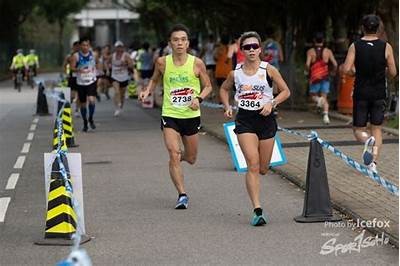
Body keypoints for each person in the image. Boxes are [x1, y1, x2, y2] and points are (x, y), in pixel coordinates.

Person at [219, 31, 290, 226]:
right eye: (247, 47)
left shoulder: (269, 70)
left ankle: (262, 174)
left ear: (260, 49)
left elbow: (286, 91)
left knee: (264, 168)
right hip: (245, 121)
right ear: (241, 50)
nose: (251, 50)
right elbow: (224, 89)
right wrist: (227, 107)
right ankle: (257, 210)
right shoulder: (236, 73)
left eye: (254, 47)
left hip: (266, 120)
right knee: (253, 164)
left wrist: (272, 103)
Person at [139, 24, 212, 209]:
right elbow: (155, 78)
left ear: (187, 43)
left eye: (183, 40)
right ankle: (182, 194)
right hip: (170, 113)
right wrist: (147, 90)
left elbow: (208, 86)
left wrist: (199, 98)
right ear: (170, 43)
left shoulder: (197, 63)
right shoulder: (162, 62)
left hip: (191, 114)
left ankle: (177, 161)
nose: (179, 43)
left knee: (192, 158)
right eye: (175, 40)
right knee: (173, 152)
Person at [343, 14, 397, 173]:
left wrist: (354, 72)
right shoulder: (386, 47)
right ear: (378, 28)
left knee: (358, 129)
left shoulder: (355, 46)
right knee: (377, 128)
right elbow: (394, 72)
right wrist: (384, 71)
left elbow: (346, 69)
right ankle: (373, 163)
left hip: (361, 92)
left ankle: (367, 141)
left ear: (362, 28)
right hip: (379, 93)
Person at [305, 32, 338, 124]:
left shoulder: (310, 51)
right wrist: (333, 72)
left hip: (315, 77)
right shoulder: (328, 51)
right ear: (323, 40)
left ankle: (318, 100)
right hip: (325, 77)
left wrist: (308, 71)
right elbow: (335, 64)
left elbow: (307, 64)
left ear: (314, 40)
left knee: (312, 95)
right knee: (325, 97)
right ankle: (326, 116)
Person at [70, 38, 98, 132]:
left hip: (91, 80)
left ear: (89, 46)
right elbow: (72, 68)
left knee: (91, 100)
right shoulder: (76, 56)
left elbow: (97, 64)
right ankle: (85, 122)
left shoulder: (94, 54)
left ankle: (90, 118)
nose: (85, 47)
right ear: (80, 46)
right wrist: (78, 70)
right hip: (81, 82)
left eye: (87, 45)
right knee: (83, 104)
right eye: (83, 45)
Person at [109, 41, 133, 116]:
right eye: (117, 47)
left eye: (120, 47)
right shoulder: (112, 56)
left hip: (124, 77)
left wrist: (126, 63)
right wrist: (107, 68)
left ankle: (120, 106)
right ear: (115, 48)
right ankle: (117, 107)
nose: (119, 48)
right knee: (116, 92)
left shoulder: (126, 55)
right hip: (114, 76)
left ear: (122, 47)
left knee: (122, 94)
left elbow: (131, 65)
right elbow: (106, 62)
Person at [63, 41, 80, 117]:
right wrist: (66, 74)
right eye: (76, 47)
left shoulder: (82, 56)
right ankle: (67, 107)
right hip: (72, 77)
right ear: (73, 47)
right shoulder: (69, 56)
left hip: (81, 77)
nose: (77, 48)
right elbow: (65, 65)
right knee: (72, 96)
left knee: (79, 95)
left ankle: (77, 110)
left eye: (78, 47)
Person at [214, 34, 231, 102]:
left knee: (220, 88)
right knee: (227, 89)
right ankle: (226, 103)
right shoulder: (231, 48)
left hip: (219, 72)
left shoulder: (219, 48)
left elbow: (215, 57)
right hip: (228, 72)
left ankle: (221, 102)